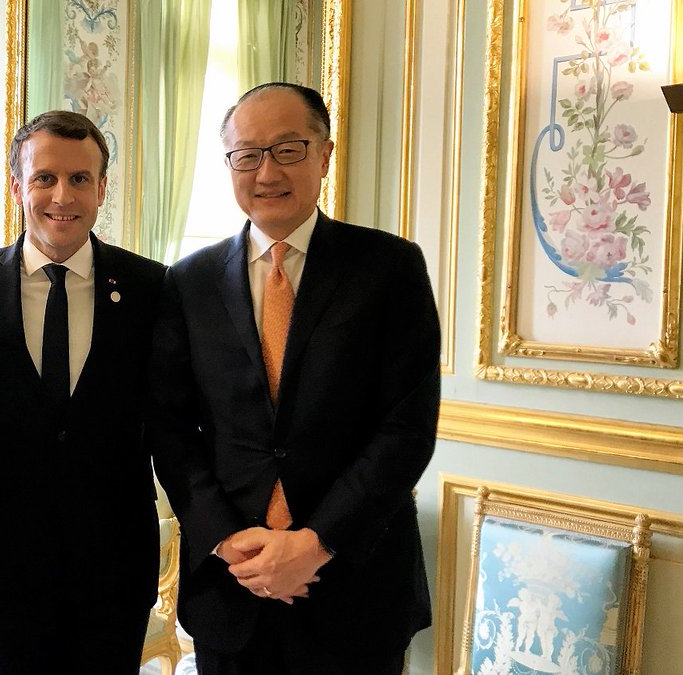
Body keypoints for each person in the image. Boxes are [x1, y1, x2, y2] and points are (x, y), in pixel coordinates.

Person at [148, 82, 441, 674]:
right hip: (232, 588)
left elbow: (406, 427)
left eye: (288, 149)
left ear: (324, 155)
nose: (266, 172)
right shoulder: (188, 281)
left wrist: (317, 542)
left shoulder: (389, 268)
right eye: (247, 155)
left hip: (356, 586)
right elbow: (171, 428)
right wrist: (228, 541)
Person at [0, 110, 165, 674]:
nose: (63, 195)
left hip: (116, 564)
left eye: (80, 178)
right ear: (18, 187)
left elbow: (172, 417)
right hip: (5, 563)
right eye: (45, 178)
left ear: (102, 188)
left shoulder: (150, 288)